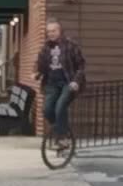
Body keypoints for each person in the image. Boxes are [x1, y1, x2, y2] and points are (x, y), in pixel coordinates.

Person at [33, 18, 86, 146]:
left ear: (60, 31)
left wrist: (76, 81)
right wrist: (36, 73)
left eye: (54, 30)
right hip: (51, 84)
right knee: (47, 110)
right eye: (49, 31)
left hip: (67, 83)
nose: (51, 33)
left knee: (60, 106)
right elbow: (39, 64)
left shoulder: (70, 45)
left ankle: (62, 138)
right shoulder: (45, 48)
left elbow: (81, 65)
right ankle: (61, 130)